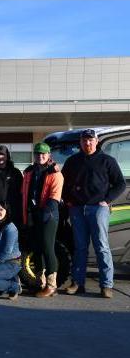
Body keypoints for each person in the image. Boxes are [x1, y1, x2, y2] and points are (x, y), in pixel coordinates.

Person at [61, 128, 126, 298]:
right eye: (84, 140)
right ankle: (77, 283)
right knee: (79, 248)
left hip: (99, 209)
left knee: (101, 247)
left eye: (90, 140)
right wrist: (68, 200)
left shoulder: (107, 161)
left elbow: (120, 184)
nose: (87, 143)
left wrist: (107, 200)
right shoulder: (72, 161)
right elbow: (62, 183)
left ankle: (106, 285)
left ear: (96, 141)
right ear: (80, 143)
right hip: (77, 209)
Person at [21, 142, 64, 298]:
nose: (40, 156)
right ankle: (41, 282)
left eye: (43, 154)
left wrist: (45, 213)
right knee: (36, 248)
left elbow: (54, 198)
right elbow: (24, 194)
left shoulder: (55, 173)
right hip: (32, 215)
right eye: (38, 154)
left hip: (48, 216)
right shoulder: (29, 172)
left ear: (49, 155)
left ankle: (52, 285)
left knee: (48, 248)